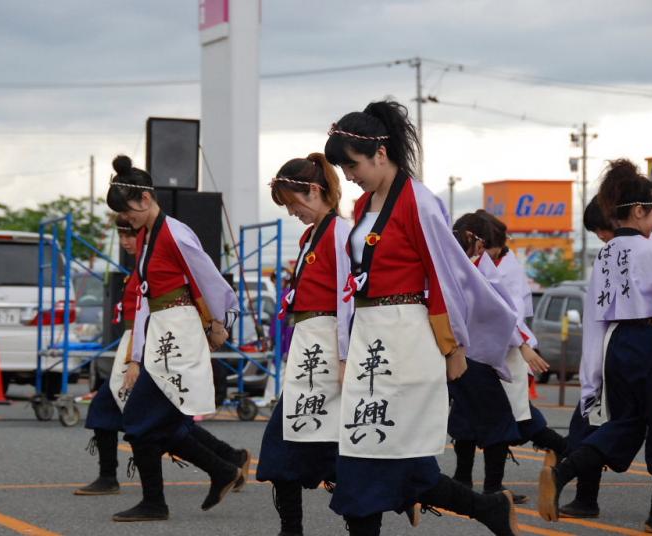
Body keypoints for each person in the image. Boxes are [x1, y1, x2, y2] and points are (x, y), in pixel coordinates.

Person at [325, 100, 520, 536]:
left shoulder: (420, 202)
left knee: (376, 451)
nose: (348, 176)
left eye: (352, 165)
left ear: (380, 153)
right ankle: (488, 508)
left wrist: (454, 346)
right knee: (388, 454)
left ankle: (487, 508)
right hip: (370, 335)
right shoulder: (362, 206)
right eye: (342, 169)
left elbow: (446, 277)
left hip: (407, 336)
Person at [538, 160, 652, 533]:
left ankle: (563, 472)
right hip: (650, 341)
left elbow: (595, 309)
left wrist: (593, 367)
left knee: (622, 422)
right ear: (638, 210)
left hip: (614, 344)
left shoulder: (605, 254)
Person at [106, 155, 247, 522]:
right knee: (152, 424)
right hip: (162, 333)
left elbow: (210, 280)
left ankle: (165, 498)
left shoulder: (176, 233)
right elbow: (144, 303)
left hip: (179, 333)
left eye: (127, 211)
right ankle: (220, 470)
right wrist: (136, 356)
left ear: (145, 199)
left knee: (141, 420)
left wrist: (219, 322)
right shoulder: (149, 236)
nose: (126, 219)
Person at [255, 153, 352, 536]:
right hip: (310, 349)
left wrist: (345, 356)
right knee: (302, 445)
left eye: (293, 202)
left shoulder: (341, 233)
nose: (292, 211)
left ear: (314, 190)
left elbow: (347, 299)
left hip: (327, 350)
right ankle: (291, 528)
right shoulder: (313, 235)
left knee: (309, 445)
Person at [475, 211, 568, 501]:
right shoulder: (486, 262)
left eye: (486, 246)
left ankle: (571, 455)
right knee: (500, 418)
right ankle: (569, 452)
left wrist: (525, 345)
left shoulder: (504, 267)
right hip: (490, 349)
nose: (482, 251)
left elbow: (511, 314)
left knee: (510, 419)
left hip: (507, 350)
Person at [448, 213, 533, 504]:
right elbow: (504, 313)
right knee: (498, 422)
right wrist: (521, 344)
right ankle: (492, 487)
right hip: (476, 357)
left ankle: (461, 481)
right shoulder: (475, 272)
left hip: (455, 355)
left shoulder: (451, 265)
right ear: (477, 241)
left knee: (465, 419)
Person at [74, 215, 140, 496]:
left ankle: (226, 463)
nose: (125, 241)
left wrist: (136, 359)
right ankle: (107, 476)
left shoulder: (156, 265)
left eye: (130, 234)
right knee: (104, 408)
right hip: (131, 347)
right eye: (121, 235)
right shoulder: (138, 266)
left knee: (166, 426)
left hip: (146, 349)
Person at [558, 196, 614, 519]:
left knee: (606, 428)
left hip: (619, 356)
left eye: (601, 230)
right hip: (601, 356)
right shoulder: (607, 256)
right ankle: (585, 497)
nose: (601, 238)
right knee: (586, 426)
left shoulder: (644, 251)